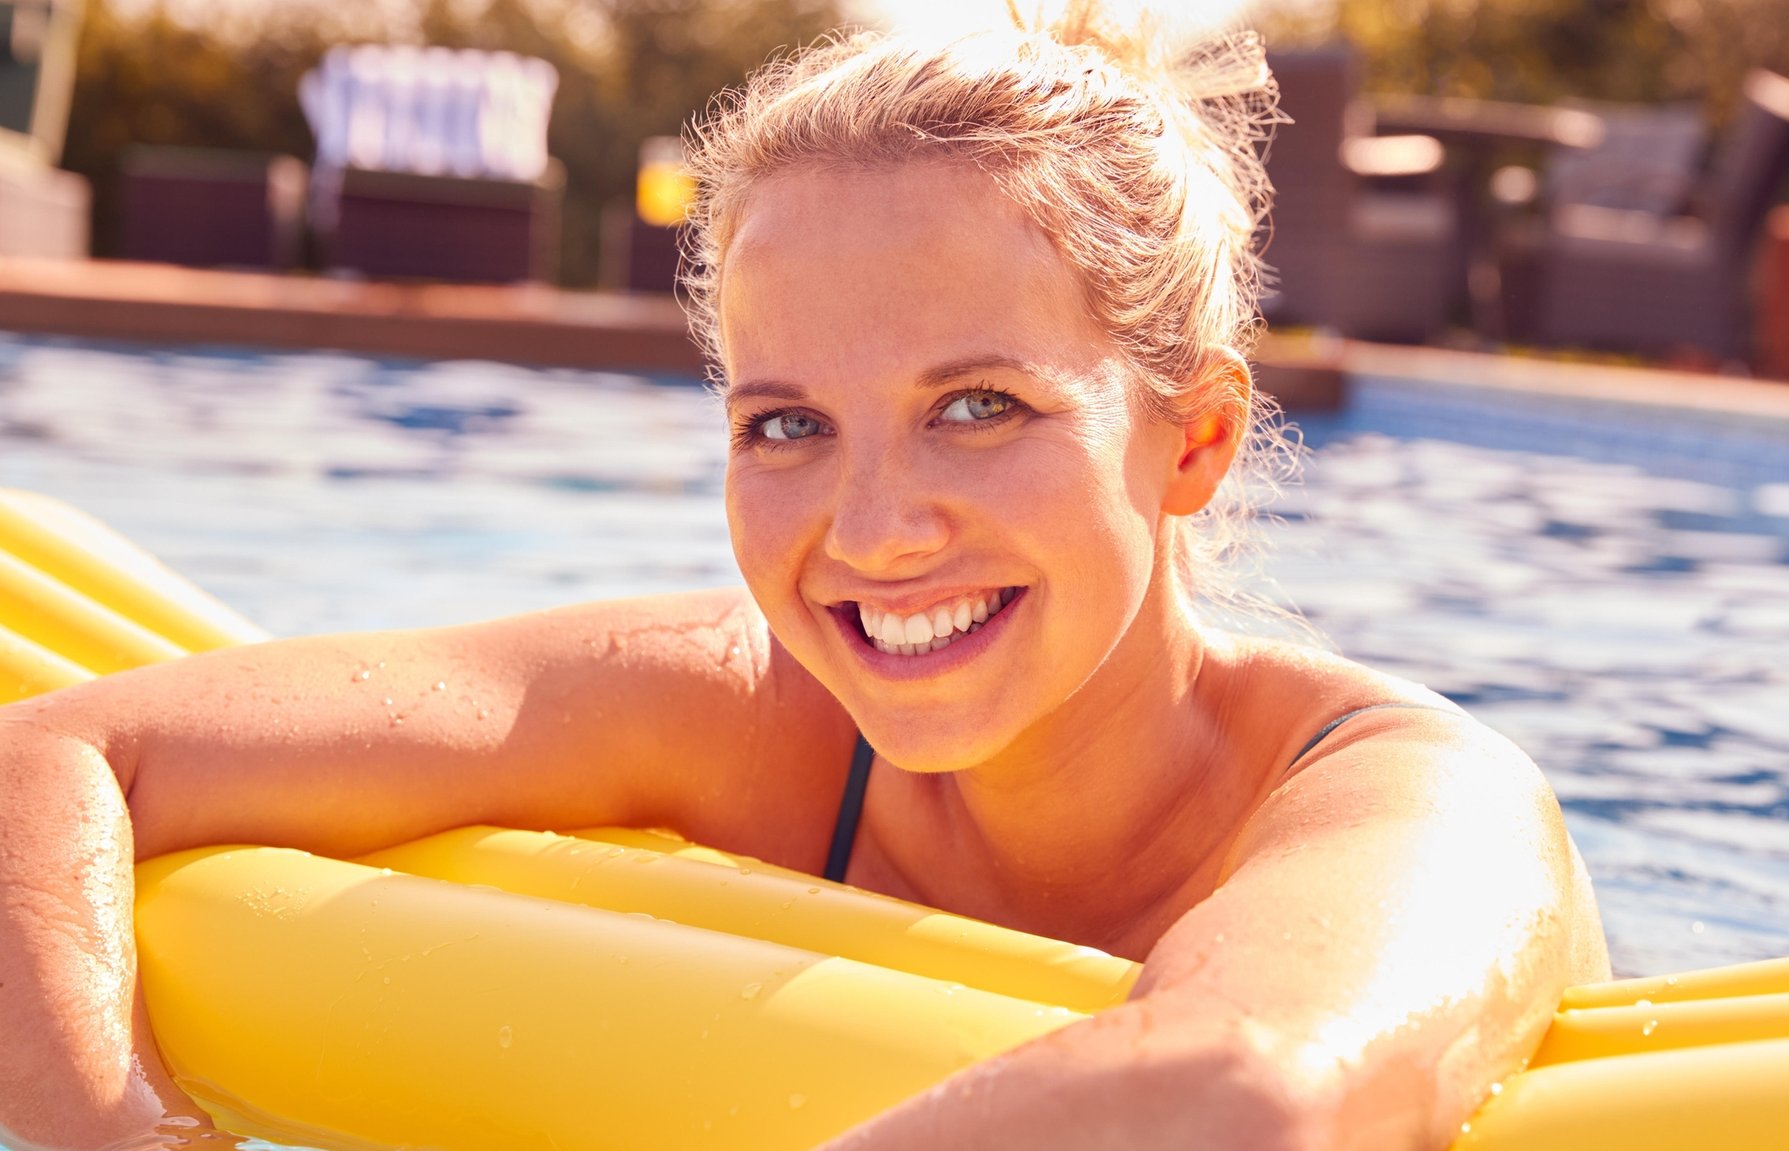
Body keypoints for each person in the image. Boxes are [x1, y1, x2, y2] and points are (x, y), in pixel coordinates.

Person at [0, 8, 1609, 1150]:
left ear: (1189, 443)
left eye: (977, 408)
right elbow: (62, 754)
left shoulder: (1414, 802)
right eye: (787, 424)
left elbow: (1247, 1094)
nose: (872, 530)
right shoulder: (747, 715)